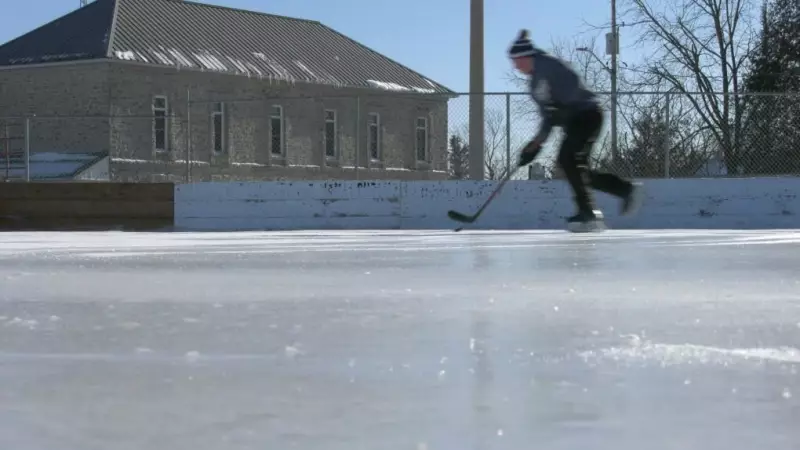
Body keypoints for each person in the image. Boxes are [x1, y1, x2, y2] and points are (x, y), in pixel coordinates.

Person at [508, 29, 642, 232]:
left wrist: (562, 108)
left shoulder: (550, 65)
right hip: (575, 121)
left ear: (525, 57)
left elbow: (571, 87)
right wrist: (534, 146)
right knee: (578, 169)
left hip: (587, 115)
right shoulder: (535, 83)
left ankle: (588, 213)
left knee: (568, 159)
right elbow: (548, 117)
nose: (515, 67)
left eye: (516, 61)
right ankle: (624, 189)